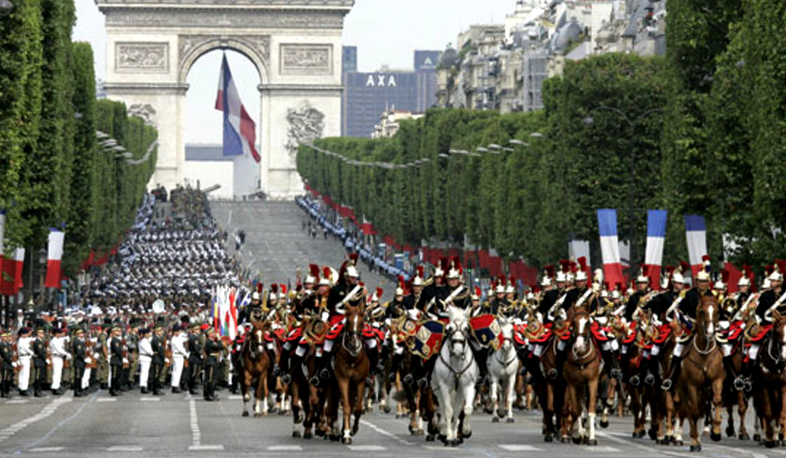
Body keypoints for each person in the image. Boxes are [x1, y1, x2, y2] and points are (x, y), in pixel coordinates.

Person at [203, 328, 225, 401]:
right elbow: (220, 346)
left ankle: (209, 393)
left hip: (213, 360)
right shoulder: (209, 342)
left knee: (212, 378)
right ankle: (209, 394)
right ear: (209, 334)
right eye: (213, 333)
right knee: (210, 379)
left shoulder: (212, 341)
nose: (215, 334)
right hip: (211, 361)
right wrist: (219, 340)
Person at [49, 327, 70, 395]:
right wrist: (66, 354)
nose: (61, 334)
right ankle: (55, 387)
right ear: (56, 334)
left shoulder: (58, 340)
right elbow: (59, 350)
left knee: (59, 373)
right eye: (59, 333)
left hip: (59, 357)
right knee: (56, 373)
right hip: (56, 357)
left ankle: (57, 386)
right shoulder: (54, 340)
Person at [170, 325, 188, 393]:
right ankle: (175, 386)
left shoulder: (177, 338)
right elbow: (180, 348)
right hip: (178, 355)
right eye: (178, 331)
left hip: (179, 356)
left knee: (177, 371)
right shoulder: (174, 339)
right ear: (175, 332)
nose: (179, 332)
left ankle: (175, 385)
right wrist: (186, 354)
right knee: (177, 372)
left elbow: (184, 339)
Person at [187, 324, 203, 395]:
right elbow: (196, 348)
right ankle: (191, 388)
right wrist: (201, 353)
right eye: (197, 329)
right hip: (194, 357)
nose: (198, 331)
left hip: (196, 357)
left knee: (196, 373)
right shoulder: (193, 338)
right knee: (193, 373)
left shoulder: (196, 337)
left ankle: (193, 386)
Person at [150, 325, 166, 395]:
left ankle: (156, 388)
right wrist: (163, 358)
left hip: (158, 358)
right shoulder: (156, 339)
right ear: (156, 332)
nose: (161, 332)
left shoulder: (158, 338)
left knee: (158, 374)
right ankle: (155, 389)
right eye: (160, 331)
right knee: (156, 374)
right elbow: (160, 350)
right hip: (157, 358)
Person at [72, 328, 88, 397]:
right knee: (78, 377)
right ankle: (77, 391)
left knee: (81, 376)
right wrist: (84, 358)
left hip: (81, 361)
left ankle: (80, 389)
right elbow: (79, 352)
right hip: (78, 361)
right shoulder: (76, 341)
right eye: (81, 333)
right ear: (77, 334)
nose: (82, 334)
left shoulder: (81, 341)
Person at [109, 325, 125, 396]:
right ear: (114, 332)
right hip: (115, 359)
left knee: (118, 375)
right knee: (115, 375)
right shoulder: (115, 340)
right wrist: (122, 356)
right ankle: (113, 389)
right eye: (117, 331)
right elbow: (118, 350)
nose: (119, 332)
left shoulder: (117, 340)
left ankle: (116, 388)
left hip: (117, 359)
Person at [0, 330, 16, 398]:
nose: (6, 338)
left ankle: (7, 391)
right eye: (4, 337)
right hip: (5, 363)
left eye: (6, 337)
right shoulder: (2, 345)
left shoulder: (8, 344)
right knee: (4, 378)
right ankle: (3, 392)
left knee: (8, 378)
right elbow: (6, 355)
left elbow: (11, 353)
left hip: (9, 363)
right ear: (1, 337)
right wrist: (11, 362)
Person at [138, 328, 153, 394]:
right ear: (145, 334)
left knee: (146, 373)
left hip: (147, 358)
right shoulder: (143, 341)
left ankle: (145, 385)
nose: (149, 334)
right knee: (144, 373)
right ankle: (143, 386)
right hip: (145, 358)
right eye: (148, 333)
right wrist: (154, 354)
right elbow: (149, 351)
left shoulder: (146, 340)